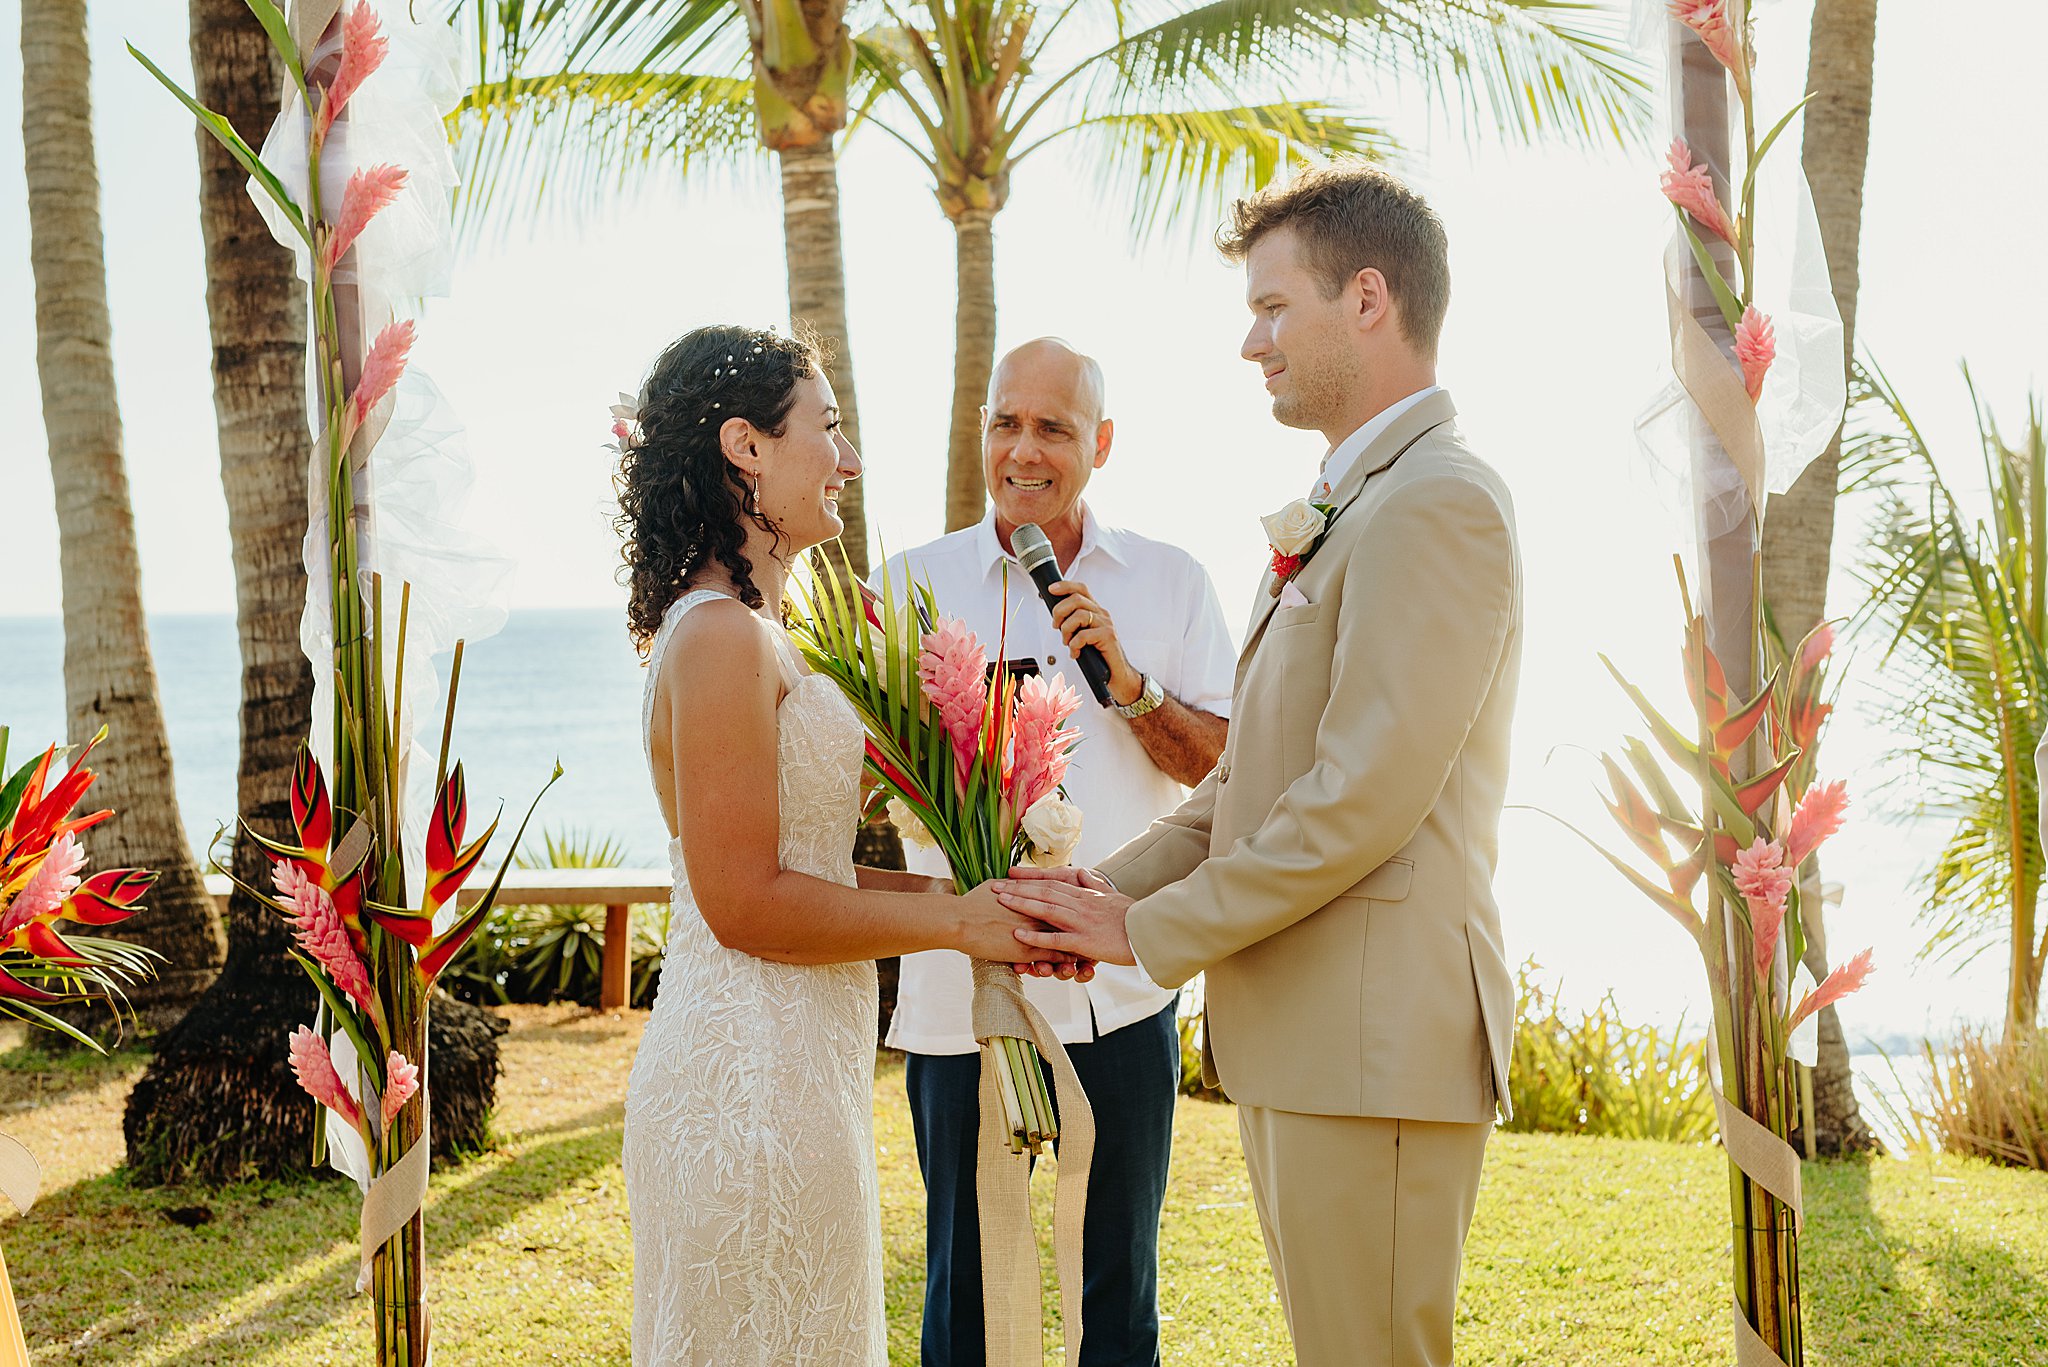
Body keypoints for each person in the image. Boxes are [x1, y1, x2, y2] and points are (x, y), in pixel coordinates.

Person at [996, 166, 1522, 1367]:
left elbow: (1359, 802)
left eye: (1273, 307)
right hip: (1315, 1039)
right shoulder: (1352, 503)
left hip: (1375, 1046)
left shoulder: (1439, 502)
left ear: (1368, 300)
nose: (1250, 342)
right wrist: (1103, 893)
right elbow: (1251, 788)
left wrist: (1145, 932)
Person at [614, 323, 1075, 1367]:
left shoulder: (749, 629)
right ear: (746, 446)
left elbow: (803, 867)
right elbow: (744, 899)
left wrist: (971, 898)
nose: (849, 461)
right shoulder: (722, 635)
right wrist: (956, 921)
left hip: (797, 1067)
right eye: (827, 428)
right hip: (748, 1084)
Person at [876, 337, 1236, 1367]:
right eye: (1004, 421)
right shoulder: (910, 584)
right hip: (961, 992)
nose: (1022, 449)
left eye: (1052, 427)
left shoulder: (1170, 581)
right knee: (963, 1291)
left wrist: (1129, 684)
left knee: (1116, 1289)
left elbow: (1232, 771)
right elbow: (869, 773)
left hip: (1119, 988)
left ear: (1100, 443)